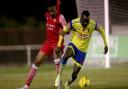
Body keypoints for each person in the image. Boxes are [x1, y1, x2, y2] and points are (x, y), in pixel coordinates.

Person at [55, 10, 108, 89]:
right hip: (74, 45)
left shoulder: (93, 24)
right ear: (81, 19)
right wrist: (59, 45)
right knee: (66, 55)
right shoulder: (74, 22)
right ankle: (58, 77)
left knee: (75, 74)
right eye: (84, 21)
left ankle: (67, 84)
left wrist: (106, 45)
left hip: (82, 52)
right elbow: (63, 31)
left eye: (87, 21)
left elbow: (102, 31)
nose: (85, 23)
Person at [19, 4, 67, 89]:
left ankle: (59, 83)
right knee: (37, 61)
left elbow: (66, 29)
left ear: (56, 9)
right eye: (50, 11)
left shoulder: (61, 17)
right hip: (48, 42)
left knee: (56, 59)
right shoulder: (47, 15)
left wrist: (60, 43)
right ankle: (26, 86)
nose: (52, 12)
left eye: (53, 11)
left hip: (57, 43)